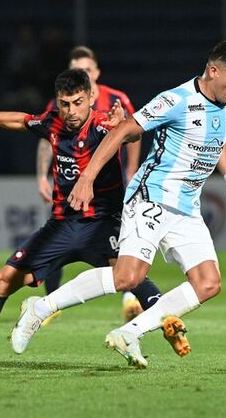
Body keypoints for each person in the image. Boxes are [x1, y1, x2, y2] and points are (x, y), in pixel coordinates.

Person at [0, 69, 189, 371]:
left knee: (133, 278)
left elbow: (132, 133)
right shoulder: (53, 123)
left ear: (89, 98)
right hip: (61, 228)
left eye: (77, 102)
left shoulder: (103, 124)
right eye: (64, 104)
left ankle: (169, 323)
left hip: (104, 226)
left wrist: (123, 125)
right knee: (1, 280)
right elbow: (19, 120)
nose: (71, 111)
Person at [10, 40, 226, 369]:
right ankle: (41, 308)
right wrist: (87, 178)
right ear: (213, 71)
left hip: (187, 207)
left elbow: (219, 137)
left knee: (208, 283)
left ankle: (130, 332)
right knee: (127, 277)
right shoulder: (176, 100)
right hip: (151, 197)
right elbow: (122, 131)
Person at [37, 46, 143, 321]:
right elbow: (47, 135)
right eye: (76, 68)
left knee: (117, 243)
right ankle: (51, 301)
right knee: (57, 237)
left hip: (107, 186)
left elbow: (133, 133)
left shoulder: (117, 99)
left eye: (86, 68)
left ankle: (130, 297)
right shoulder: (62, 102)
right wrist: (41, 175)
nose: (82, 72)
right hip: (71, 185)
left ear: (96, 72)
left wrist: (131, 170)